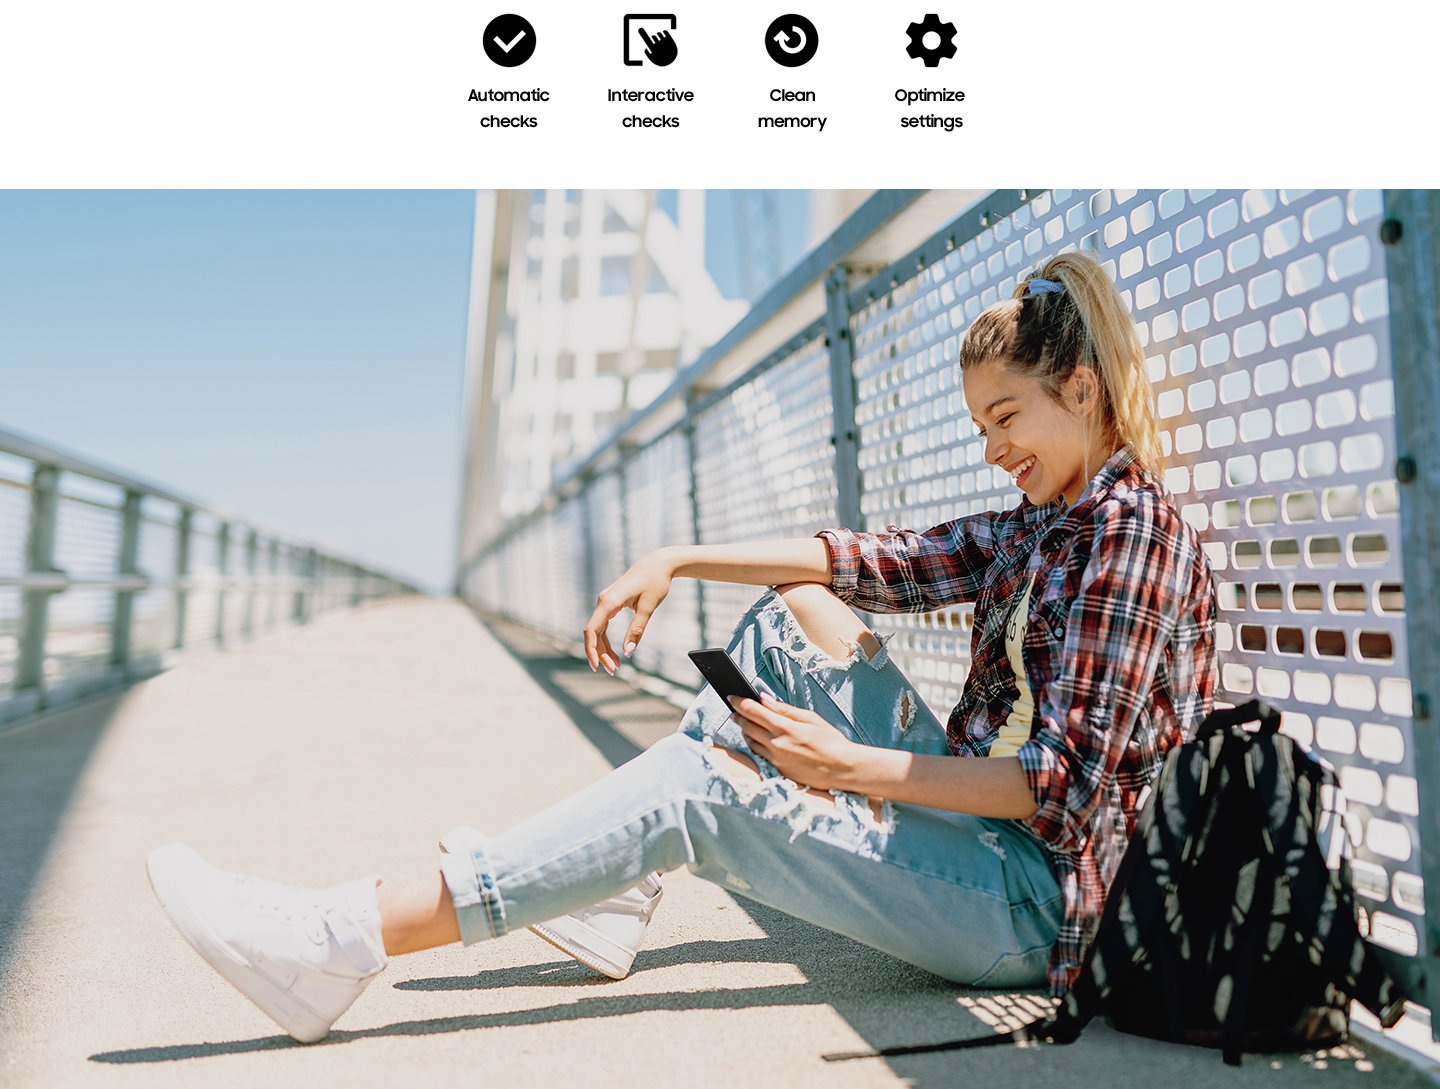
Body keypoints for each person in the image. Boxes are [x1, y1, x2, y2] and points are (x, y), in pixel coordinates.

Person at [146, 251, 1218, 1044]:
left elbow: (1061, 787)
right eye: (981, 427)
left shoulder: (1129, 538)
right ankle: (613, 889)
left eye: (1006, 420)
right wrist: (680, 556)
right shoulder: (1049, 521)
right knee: (797, 609)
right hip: (996, 841)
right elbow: (875, 560)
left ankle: (341, 941)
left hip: (1042, 902)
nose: (991, 452)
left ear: (1081, 391)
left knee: (700, 791)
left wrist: (843, 770)